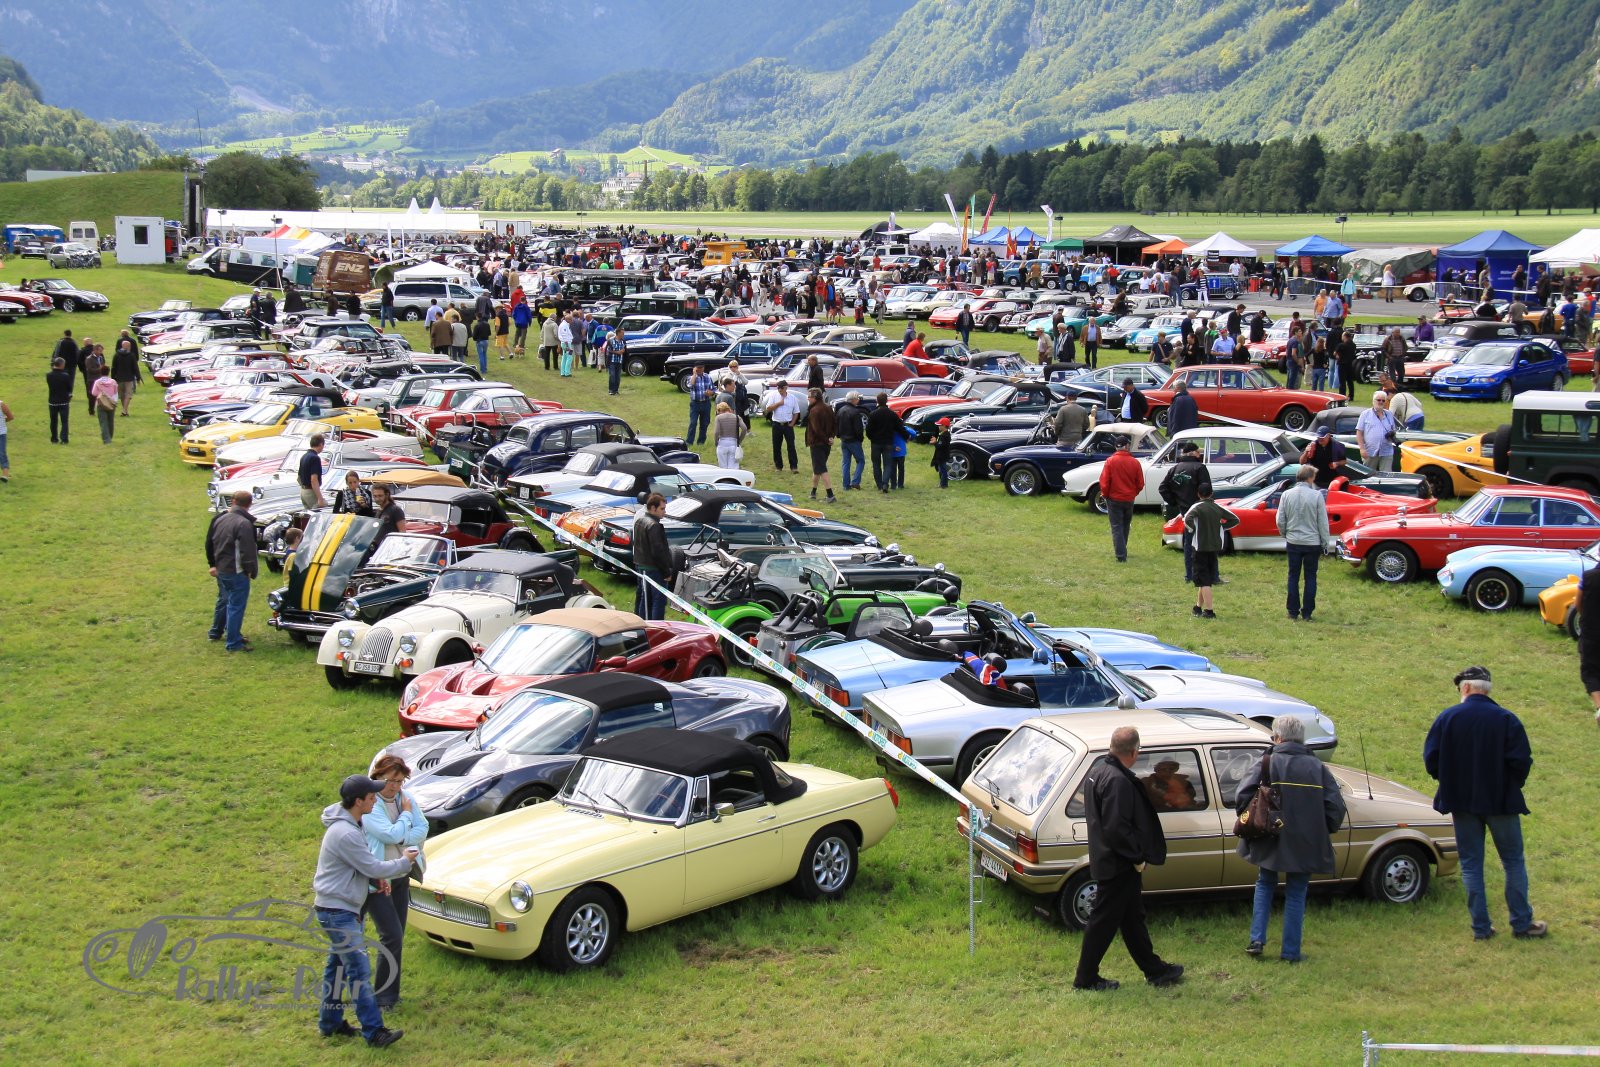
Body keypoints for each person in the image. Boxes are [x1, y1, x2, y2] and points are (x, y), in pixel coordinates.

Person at [1424, 666, 1547, 941]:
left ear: (1466, 688)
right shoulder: (1506, 719)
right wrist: (1510, 785)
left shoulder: (1447, 718)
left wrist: (1450, 781)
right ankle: (1521, 923)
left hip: (1462, 803)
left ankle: (1481, 928)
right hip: (1501, 802)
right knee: (1513, 861)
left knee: (1471, 864)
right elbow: (1521, 761)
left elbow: (1432, 759)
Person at [1073, 726, 1184, 991]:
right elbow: (1117, 828)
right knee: (1102, 921)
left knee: (1133, 918)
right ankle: (1085, 978)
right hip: (1118, 864)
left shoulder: (1098, 771)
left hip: (1107, 858)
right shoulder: (1118, 781)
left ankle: (1155, 970)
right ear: (1134, 752)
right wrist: (1137, 857)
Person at [313, 773, 414, 1048]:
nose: (375, 801)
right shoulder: (345, 833)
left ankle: (330, 1023)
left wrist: (373, 880)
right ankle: (375, 1032)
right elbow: (371, 865)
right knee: (358, 971)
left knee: (337, 969)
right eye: (371, 797)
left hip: (338, 908)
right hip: (339, 912)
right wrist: (404, 862)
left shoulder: (351, 824)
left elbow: (361, 866)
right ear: (358, 801)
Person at [1236, 715, 1347, 962]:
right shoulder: (1317, 767)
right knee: (1297, 892)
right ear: (1301, 738)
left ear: (1277, 737)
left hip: (1269, 834)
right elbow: (1335, 806)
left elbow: (1242, 795)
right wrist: (1322, 829)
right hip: (1306, 839)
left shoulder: (1267, 762)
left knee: (1265, 883)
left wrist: (1250, 819)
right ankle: (1291, 952)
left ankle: (1257, 940)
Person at [363, 756, 428, 1012]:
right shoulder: (371, 803)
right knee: (390, 935)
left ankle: (389, 995)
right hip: (378, 880)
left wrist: (401, 835)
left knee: (397, 935)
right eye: (390, 780)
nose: (395, 786)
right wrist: (406, 819)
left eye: (400, 781)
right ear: (378, 778)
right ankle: (382, 999)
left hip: (401, 875)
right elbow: (387, 834)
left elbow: (423, 828)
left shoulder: (405, 797)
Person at [1278, 464, 1334, 621]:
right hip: (1312, 542)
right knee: (1310, 577)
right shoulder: (1316, 496)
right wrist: (1325, 543)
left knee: (1293, 576)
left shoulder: (1286, 494)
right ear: (1310, 478)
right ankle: (1307, 611)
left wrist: (1285, 533)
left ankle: (1292, 610)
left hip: (1293, 540)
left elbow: (1280, 519)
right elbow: (1322, 522)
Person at [205, 490, 258, 652]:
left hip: (222, 568)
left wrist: (213, 564)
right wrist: (250, 570)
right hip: (236, 571)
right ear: (249, 504)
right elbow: (247, 551)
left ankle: (222, 632)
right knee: (236, 606)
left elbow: (211, 542)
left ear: (234, 502)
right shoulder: (243, 523)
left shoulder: (220, 519)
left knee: (226, 602)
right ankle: (233, 642)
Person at [1159, 440, 1210, 583]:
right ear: (1193, 453)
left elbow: (1163, 488)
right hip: (1199, 509)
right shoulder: (1200, 468)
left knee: (1188, 543)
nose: (1200, 454)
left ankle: (1189, 574)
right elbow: (1207, 489)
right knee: (1203, 543)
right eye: (1198, 452)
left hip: (1185, 511)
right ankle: (1205, 573)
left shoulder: (1175, 469)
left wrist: (1175, 502)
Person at [1185, 483, 1237, 619]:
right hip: (1214, 547)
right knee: (1206, 579)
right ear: (1211, 493)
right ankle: (1198, 607)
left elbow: (1187, 518)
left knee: (1203, 581)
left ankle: (1209, 611)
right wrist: (1221, 527)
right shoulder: (1217, 507)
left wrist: (1192, 529)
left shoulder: (1197, 507)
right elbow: (1235, 519)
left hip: (1200, 548)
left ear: (1198, 494)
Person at [1100, 436, 1144, 563]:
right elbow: (1140, 483)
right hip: (1129, 498)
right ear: (1127, 446)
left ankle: (1121, 554)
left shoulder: (1110, 461)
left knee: (1116, 526)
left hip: (1114, 498)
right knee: (1125, 525)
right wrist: (1133, 493)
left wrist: (1105, 494)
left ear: (1116, 447)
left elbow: (1104, 481)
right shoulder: (1135, 462)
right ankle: (1122, 549)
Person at [631, 493, 673, 620]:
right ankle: (656, 628)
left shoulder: (640, 520)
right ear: (653, 508)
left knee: (645, 600)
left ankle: (643, 625)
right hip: (654, 570)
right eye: (662, 508)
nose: (664, 512)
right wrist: (666, 572)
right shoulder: (653, 525)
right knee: (658, 601)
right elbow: (657, 551)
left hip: (641, 566)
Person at [762, 379, 804, 473]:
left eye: (781, 388)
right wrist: (778, 404)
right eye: (778, 388)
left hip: (787, 425)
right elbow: (768, 408)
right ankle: (778, 466)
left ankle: (794, 467)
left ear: (786, 388)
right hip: (777, 424)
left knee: (791, 446)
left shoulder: (792, 398)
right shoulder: (773, 396)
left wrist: (792, 423)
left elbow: (796, 412)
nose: (779, 390)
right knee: (776, 446)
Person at [866, 393, 904, 492]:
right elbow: (900, 428)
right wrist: (907, 436)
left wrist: (872, 438)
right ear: (887, 400)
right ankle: (885, 483)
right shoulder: (892, 414)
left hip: (876, 443)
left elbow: (868, 430)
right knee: (888, 464)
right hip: (888, 442)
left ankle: (879, 485)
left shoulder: (873, 414)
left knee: (876, 464)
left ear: (877, 401)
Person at [804, 387, 837, 503]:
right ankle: (813, 492)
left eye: (809, 397)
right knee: (817, 468)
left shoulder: (814, 411)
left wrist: (826, 439)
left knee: (821, 468)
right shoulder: (828, 408)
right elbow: (835, 424)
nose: (808, 399)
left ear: (815, 398)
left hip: (817, 443)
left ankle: (830, 495)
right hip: (826, 443)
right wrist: (831, 437)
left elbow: (816, 429)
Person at [1355, 391, 1398, 472]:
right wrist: (1362, 449)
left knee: (1387, 474)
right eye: (1378, 400)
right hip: (1370, 450)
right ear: (1373, 401)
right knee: (1368, 474)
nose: (1381, 402)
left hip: (1386, 450)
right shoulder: (1365, 414)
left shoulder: (1389, 414)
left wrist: (1392, 434)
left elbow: (1393, 429)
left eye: (1383, 400)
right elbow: (1359, 432)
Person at [836, 391, 868, 490]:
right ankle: (855, 481)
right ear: (853, 400)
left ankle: (846, 485)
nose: (858, 400)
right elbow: (858, 429)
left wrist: (839, 435)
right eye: (857, 398)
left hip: (844, 440)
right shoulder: (855, 412)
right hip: (854, 440)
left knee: (846, 463)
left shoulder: (841, 410)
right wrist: (860, 439)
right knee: (861, 461)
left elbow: (836, 425)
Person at [111, 330, 142, 416]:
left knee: (122, 395)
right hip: (129, 378)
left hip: (119, 378)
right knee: (128, 395)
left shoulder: (116, 355)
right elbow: (135, 367)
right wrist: (138, 378)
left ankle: (124, 410)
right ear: (129, 347)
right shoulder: (131, 356)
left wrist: (113, 378)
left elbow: (113, 367)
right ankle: (124, 410)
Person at [685, 364, 714, 446]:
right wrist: (694, 374)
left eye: (701, 368)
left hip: (706, 403)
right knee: (693, 423)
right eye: (698, 368)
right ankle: (689, 442)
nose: (700, 370)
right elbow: (690, 385)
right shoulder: (691, 378)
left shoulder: (708, 377)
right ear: (695, 369)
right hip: (695, 403)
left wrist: (711, 393)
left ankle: (701, 442)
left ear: (703, 368)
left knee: (705, 423)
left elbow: (713, 389)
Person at [46, 356, 73, 444]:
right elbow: (69, 388)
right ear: (62, 365)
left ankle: (54, 438)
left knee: (53, 421)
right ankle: (64, 439)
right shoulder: (65, 376)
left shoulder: (49, 375)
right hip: (63, 401)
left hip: (52, 401)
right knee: (64, 421)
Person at [713, 400, 745, 469]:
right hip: (733, 443)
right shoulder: (737, 417)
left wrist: (716, 442)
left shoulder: (718, 418)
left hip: (722, 443)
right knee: (733, 467)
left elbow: (716, 432)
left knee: (723, 467)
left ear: (719, 410)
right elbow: (744, 429)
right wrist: (739, 440)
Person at [299, 433, 328, 509]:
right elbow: (314, 480)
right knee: (322, 510)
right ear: (321, 444)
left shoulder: (304, 456)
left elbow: (299, 477)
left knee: (308, 514)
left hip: (303, 491)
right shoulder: (315, 458)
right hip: (311, 491)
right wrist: (320, 498)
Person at [90, 367, 118, 443]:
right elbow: (116, 392)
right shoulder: (113, 382)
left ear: (100, 372)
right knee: (110, 421)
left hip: (101, 403)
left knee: (103, 422)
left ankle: (106, 439)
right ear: (108, 372)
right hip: (111, 403)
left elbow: (94, 393)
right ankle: (110, 436)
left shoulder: (97, 382)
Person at [1334, 329, 1359, 401]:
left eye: (1342, 336)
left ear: (1345, 336)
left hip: (1342, 364)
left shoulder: (1341, 345)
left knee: (1342, 382)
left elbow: (1335, 353)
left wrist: (1337, 355)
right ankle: (1351, 396)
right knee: (1350, 381)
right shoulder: (1353, 345)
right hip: (1350, 364)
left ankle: (1342, 396)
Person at [930, 416, 952, 489]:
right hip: (942, 455)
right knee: (941, 470)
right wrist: (936, 442)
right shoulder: (944, 434)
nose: (938, 426)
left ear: (944, 426)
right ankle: (942, 484)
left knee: (943, 470)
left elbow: (940, 446)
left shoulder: (944, 436)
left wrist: (935, 442)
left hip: (942, 456)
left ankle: (944, 485)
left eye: (940, 425)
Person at [603, 326, 626, 396]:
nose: (623, 334)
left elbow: (624, 349)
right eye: (622, 333)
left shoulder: (623, 341)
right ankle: (611, 390)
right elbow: (608, 351)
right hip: (612, 361)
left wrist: (623, 351)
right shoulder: (610, 340)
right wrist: (617, 352)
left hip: (619, 361)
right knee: (612, 376)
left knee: (618, 377)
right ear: (618, 333)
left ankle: (616, 390)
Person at [0, 396, 11, 481]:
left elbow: (10, 417)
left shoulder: (1, 404)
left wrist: (3, 422)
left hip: (1, 433)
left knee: (2, 453)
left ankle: (5, 475)